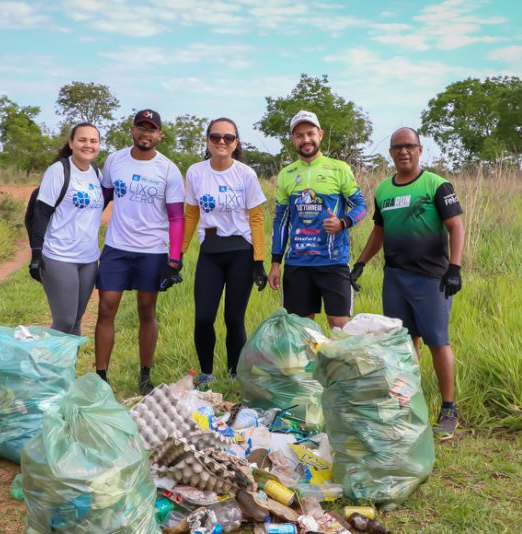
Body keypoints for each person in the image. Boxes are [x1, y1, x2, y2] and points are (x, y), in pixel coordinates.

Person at [351, 127, 465, 438]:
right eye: (398, 147)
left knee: (437, 341)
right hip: (396, 277)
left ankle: (448, 408)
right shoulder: (384, 190)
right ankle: (408, 405)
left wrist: (455, 267)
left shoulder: (437, 185)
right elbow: (379, 231)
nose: (404, 151)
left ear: (420, 149)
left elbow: (455, 226)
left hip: (431, 279)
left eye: (409, 146)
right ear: (391, 153)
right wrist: (360, 262)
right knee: (404, 343)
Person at [96, 109, 185, 394]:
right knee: (106, 307)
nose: (145, 134)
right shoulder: (114, 161)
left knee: (147, 310)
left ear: (159, 135)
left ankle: (145, 376)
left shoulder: (169, 169)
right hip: (117, 248)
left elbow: (176, 217)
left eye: (151, 129)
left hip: (151, 251)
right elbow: (102, 200)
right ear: (132, 131)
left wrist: (174, 259)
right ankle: (101, 377)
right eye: (141, 128)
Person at [182, 118, 267, 388]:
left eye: (228, 138)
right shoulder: (195, 172)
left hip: (241, 251)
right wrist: (178, 254)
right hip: (211, 251)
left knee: (233, 317)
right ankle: (206, 373)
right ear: (207, 141)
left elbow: (256, 218)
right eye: (216, 136)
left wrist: (259, 261)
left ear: (236, 143)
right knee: (204, 316)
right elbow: (191, 214)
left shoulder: (246, 174)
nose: (222, 142)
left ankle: (234, 373)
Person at [267, 110, 368, 329]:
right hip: (297, 264)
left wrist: (343, 223)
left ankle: (337, 364)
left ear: (320, 134)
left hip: (333, 262)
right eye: (299, 135)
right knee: (301, 330)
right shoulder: (286, 174)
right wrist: (276, 263)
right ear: (293, 139)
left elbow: (361, 206)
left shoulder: (339, 169)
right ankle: (307, 365)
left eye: (310, 133)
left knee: (340, 326)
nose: (306, 140)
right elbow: (281, 221)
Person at [28, 123, 104, 336]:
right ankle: (49, 369)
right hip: (59, 256)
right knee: (64, 322)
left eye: (93, 141)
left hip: (88, 259)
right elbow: (40, 214)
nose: (88, 145)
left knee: (76, 322)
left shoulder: (96, 173)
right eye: (82, 140)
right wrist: (36, 254)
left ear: (98, 145)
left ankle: (67, 370)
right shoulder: (59, 170)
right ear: (71, 143)